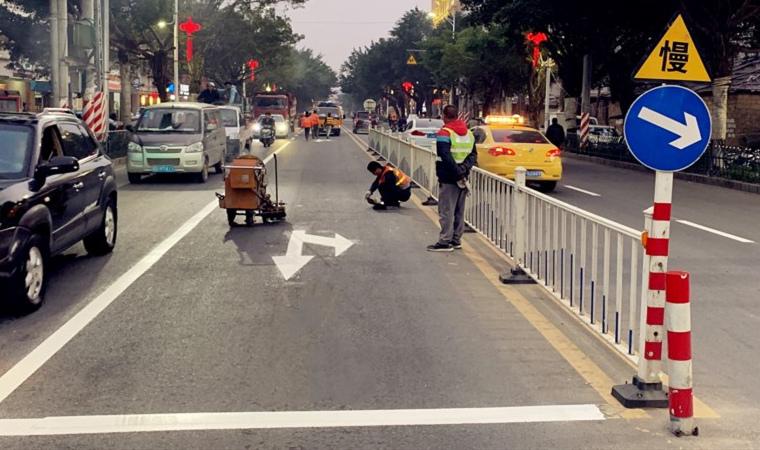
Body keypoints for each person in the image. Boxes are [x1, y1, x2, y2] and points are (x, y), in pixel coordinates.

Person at [427, 104, 477, 252]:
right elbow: (473, 155)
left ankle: (444, 242)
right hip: (463, 177)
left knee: (446, 210)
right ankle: (456, 240)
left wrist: (457, 173)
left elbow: (445, 156)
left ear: (444, 116)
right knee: (459, 211)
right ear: (457, 116)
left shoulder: (445, 133)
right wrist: (463, 170)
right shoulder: (469, 133)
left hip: (449, 177)